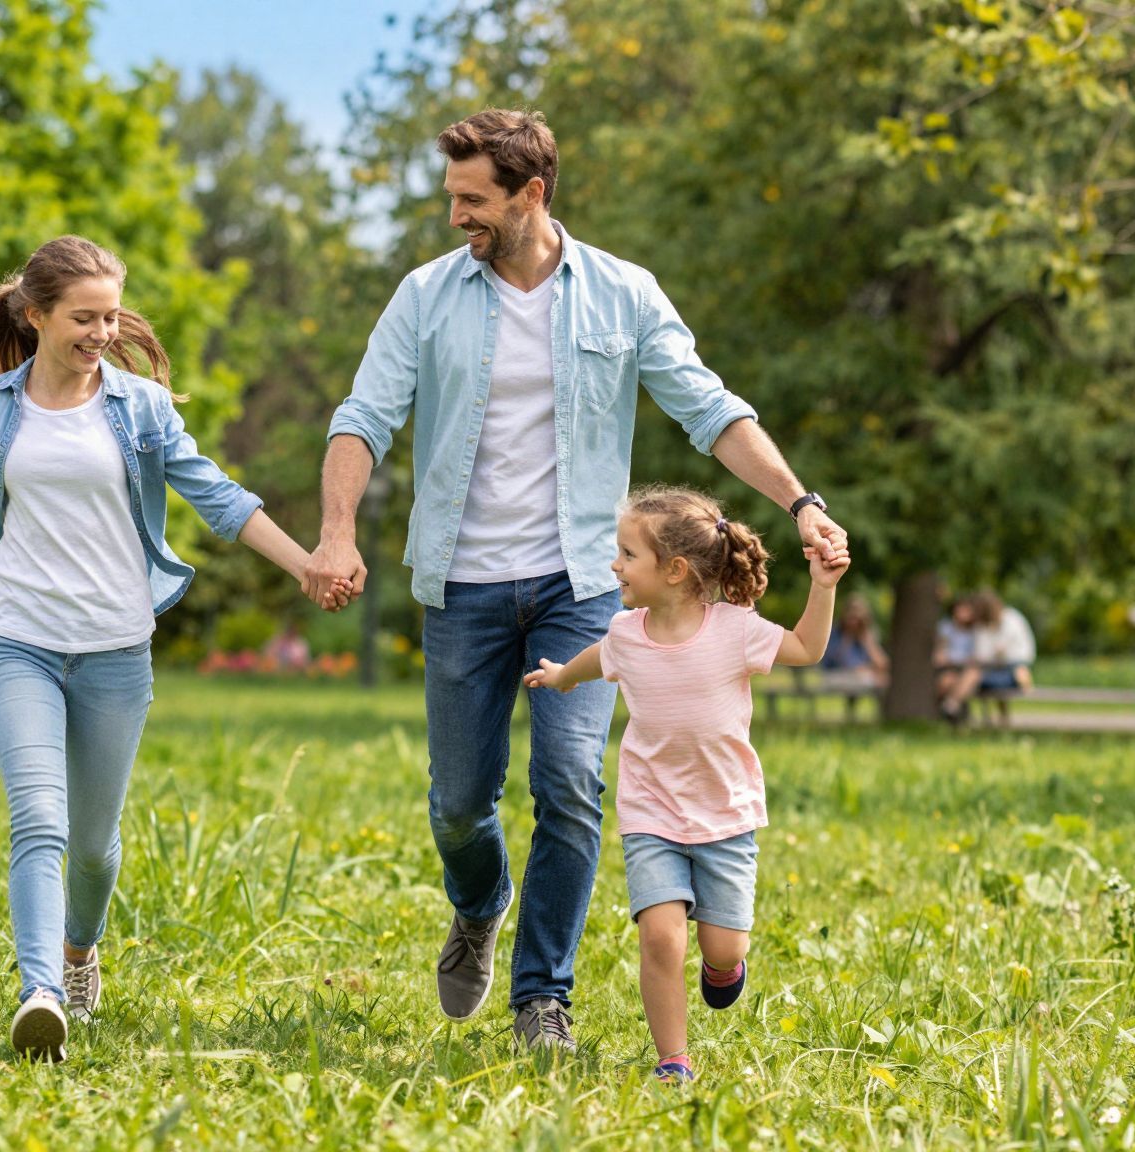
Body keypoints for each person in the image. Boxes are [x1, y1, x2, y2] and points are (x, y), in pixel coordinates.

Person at [303, 108, 848, 1053]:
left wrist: (800, 501)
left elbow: (709, 410)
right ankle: (481, 902)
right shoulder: (425, 296)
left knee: (569, 783)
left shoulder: (623, 293)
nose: (455, 217)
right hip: (463, 583)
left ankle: (541, 999)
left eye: (474, 200)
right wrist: (336, 532)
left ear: (532, 194)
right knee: (460, 804)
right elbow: (363, 417)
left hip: (583, 583)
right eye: (451, 197)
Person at [0, 236, 346, 1063]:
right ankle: (40, 992)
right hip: (21, 642)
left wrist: (306, 565)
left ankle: (80, 953)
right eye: (84, 318)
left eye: (111, 317)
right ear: (36, 315)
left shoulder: (142, 409)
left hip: (116, 647)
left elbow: (220, 499)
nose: (102, 333)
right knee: (38, 821)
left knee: (92, 847)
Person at [524, 486, 848, 1082]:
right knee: (661, 939)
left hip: (726, 815)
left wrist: (822, 587)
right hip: (651, 813)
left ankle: (723, 968)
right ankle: (673, 1059)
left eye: (628, 555)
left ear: (674, 570)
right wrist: (563, 676)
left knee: (723, 948)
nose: (615, 565)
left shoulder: (736, 629)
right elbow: (598, 658)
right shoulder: (626, 632)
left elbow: (805, 647)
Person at [942, 589, 1036, 724]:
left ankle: (951, 706)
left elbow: (1023, 654)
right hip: (989, 671)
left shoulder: (1012, 620)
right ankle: (956, 711)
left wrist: (998, 656)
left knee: (972, 675)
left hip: (1011, 671)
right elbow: (982, 655)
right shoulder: (982, 627)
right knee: (952, 679)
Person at [820, 592, 887, 693]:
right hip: (834, 675)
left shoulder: (866, 635)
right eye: (852, 617)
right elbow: (838, 661)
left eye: (858, 619)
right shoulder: (835, 633)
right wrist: (848, 636)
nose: (854, 622)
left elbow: (882, 664)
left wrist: (866, 641)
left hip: (860, 676)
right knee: (869, 679)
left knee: (884, 679)